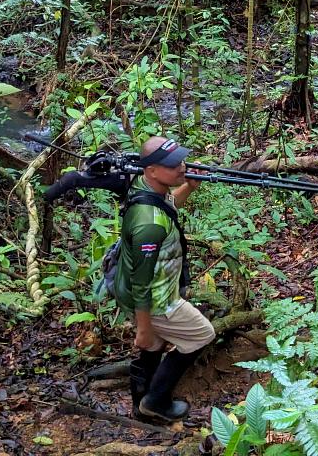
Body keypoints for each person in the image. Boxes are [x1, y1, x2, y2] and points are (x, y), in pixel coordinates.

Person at [113, 136, 216, 422]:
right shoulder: (149, 225)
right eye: (173, 166)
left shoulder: (149, 190)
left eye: (181, 160)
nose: (182, 167)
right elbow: (141, 283)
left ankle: (141, 402)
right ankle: (156, 401)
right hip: (157, 299)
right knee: (202, 335)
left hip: (155, 289)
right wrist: (143, 328)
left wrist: (189, 187)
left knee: (156, 345)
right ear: (152, 170)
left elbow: (168, 206)